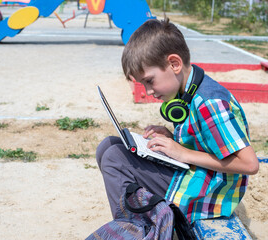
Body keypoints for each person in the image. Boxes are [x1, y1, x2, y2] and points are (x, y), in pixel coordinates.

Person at [96, 18, 259, 223]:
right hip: (198, 176)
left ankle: (134, 231)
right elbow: (206, 143)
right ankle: (141, 220)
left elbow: (249, 164)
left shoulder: (209, 102)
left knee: (114, 158)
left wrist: (182, 153)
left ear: (174, 64)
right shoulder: (188, 91)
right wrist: (173, 137)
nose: (147, 92)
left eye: (149, 81)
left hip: (208, 191)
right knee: (108, 145)